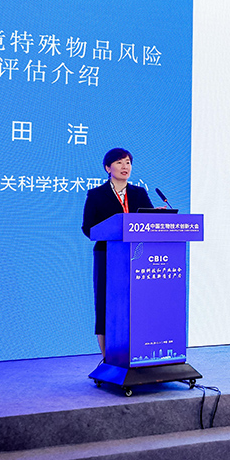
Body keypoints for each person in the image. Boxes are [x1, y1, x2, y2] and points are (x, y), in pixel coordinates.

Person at [81, 148, 153, 357]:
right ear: (108, 168)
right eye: (120, 162)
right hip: (107, 255)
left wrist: (157, 215)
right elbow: (88, 228)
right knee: (106, 304)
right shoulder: (96, 195)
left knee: (136, 303)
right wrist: (113, 231)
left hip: (137, 255)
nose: (125, 167)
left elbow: (149, 221)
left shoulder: (139, 193)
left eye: (128, 162)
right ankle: (108, 358)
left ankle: (138, 353)